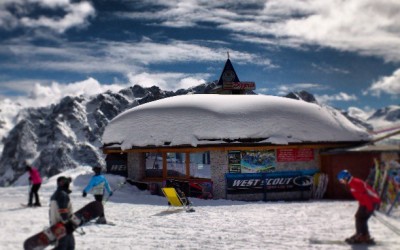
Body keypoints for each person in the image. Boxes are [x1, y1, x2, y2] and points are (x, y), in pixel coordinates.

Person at [337, 169, 381, 244]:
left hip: (372, 202)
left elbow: (366, 196)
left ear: (346, 178)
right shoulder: (353, 182)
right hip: (366, 202)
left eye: (341, 180)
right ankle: (362, 234)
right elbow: (361, 197)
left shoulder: (355, 183)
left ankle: (362, 235)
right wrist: (362, 205)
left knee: (360, 218)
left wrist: (370, 208)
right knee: (359, 217)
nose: (341, 182)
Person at [50, 176, 75, 250]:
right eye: (63, 182)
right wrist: (67, 223)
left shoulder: (55, 194)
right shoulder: (62, 194)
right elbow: (63, 210)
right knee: (65, 246)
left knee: (68, 246)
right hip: (63, 226)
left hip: (57, 225)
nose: (66, 184)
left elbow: (50, 212)